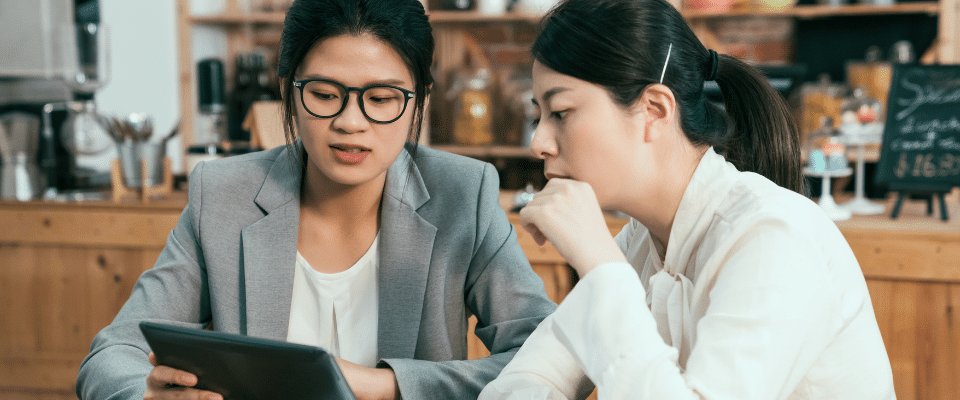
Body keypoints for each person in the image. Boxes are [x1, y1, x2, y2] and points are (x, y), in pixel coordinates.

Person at [76, 0, 557, 399]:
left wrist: (384, 384)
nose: (351, 122)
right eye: (325, 95)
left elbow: (550, 360)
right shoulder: (222, 195)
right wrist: (143, 394)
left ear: (419, 101)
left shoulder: (463, 195)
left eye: (383, 99)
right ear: (288, 92)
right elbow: (111, 354)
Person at [479, 0, 896, 399]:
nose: (539, 143)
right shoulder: (639, 241)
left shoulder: (773, 236)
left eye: (561, 112)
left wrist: (600, 267)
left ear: (655, 110)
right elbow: (532, 377)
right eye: (539, 115)